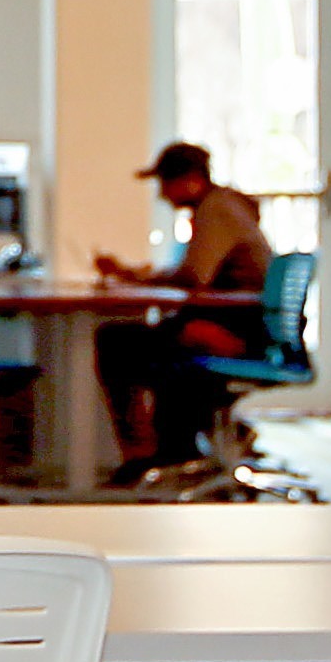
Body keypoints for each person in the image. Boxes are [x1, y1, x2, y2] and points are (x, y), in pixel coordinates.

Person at [88, 140, 276, 479]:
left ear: (190, 179)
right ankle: (170, 448)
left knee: (117, 342)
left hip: (237, 331)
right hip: (248, 323)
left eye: (165, 184)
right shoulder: (226, 205)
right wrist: (133, 275)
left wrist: (134, 278)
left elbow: (194, 278)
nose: (162, 195)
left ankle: (153, 453)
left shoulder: (215, 209)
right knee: (149, 339)